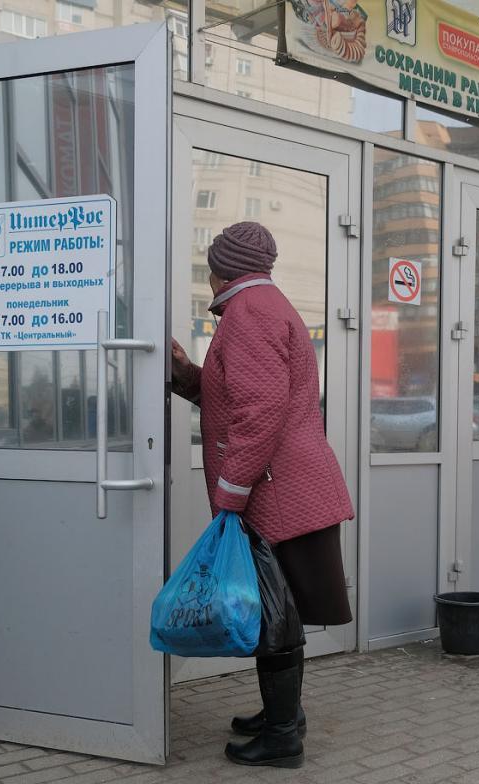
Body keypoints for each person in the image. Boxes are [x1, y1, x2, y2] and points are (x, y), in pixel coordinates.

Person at [171, 221, 354, 769]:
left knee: (272, 612)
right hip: (290, 485)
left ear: (221, 268)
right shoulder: (266, 305)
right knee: (280, 608)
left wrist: (231, 490)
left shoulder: (248, 314)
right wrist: (185, 375)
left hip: (276, 492)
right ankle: (284, 716)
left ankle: (282, 737)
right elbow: (240, 394)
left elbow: (261, 410)